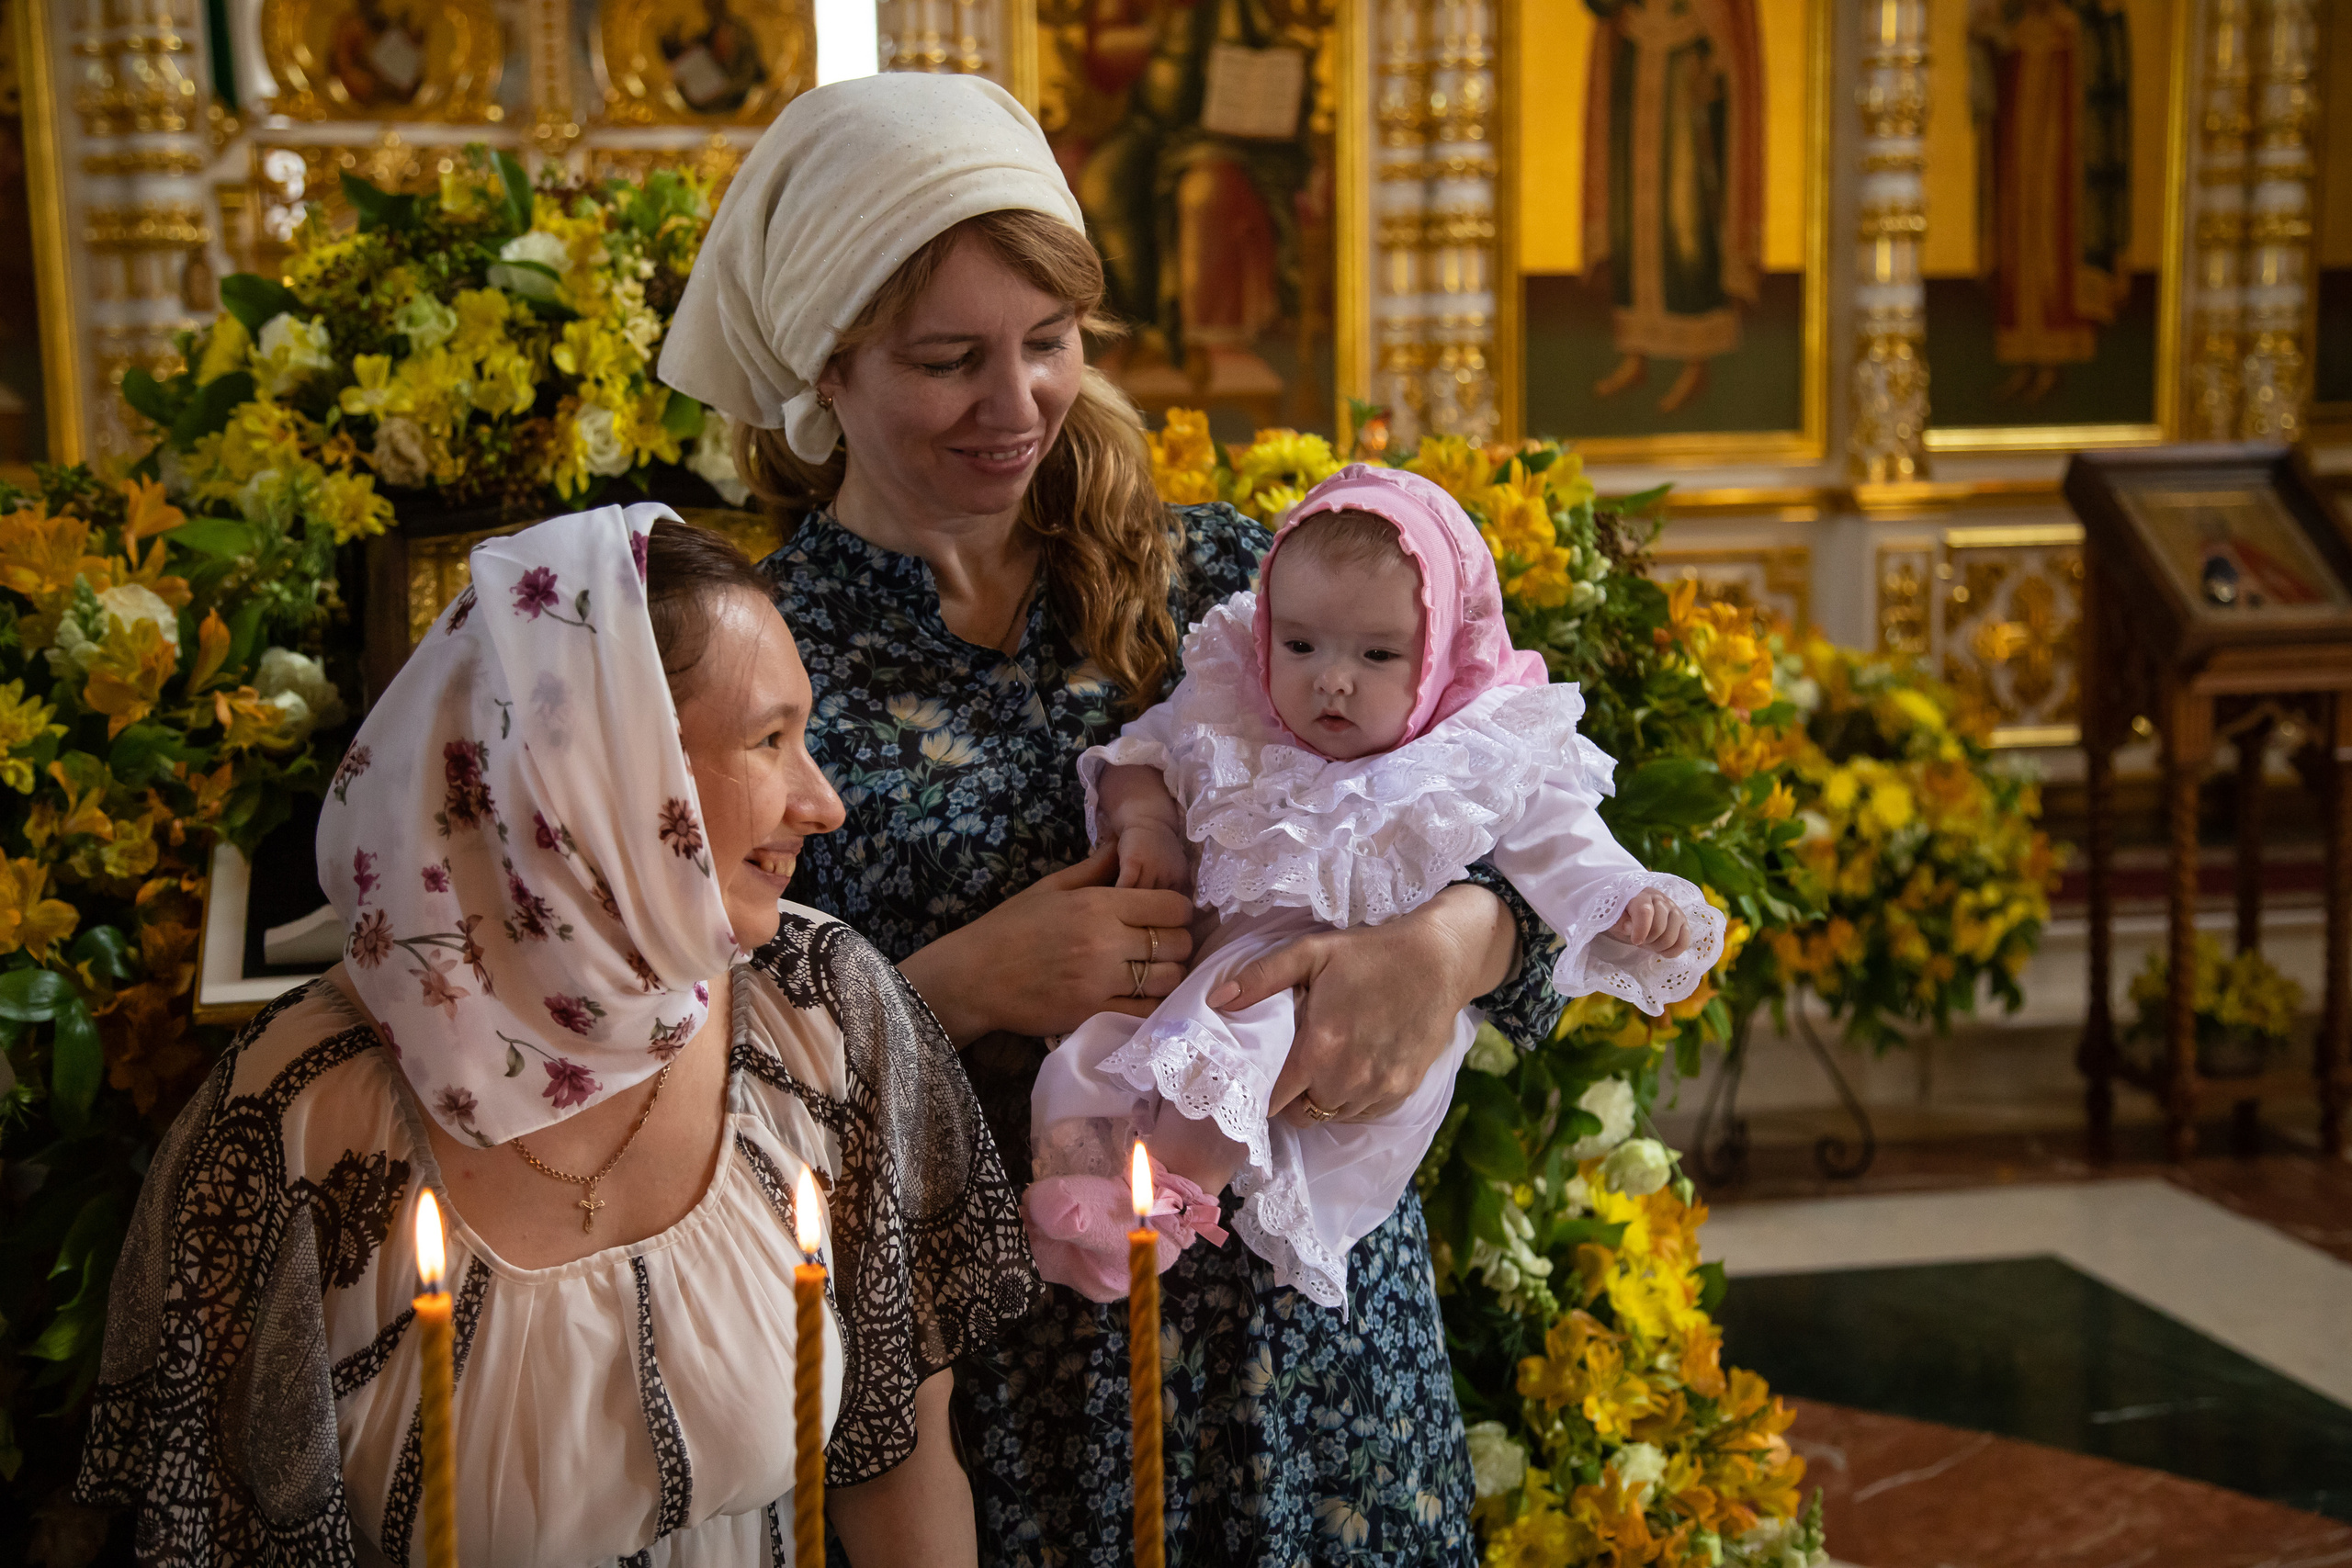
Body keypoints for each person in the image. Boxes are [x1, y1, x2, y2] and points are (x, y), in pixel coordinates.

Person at [660, 72, 1580, 1563]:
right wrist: (959, 984)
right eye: (949, 358)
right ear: (826, 365)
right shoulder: (756, 655)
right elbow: (671, 1061)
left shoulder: (1236, 584)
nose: (1017, 401)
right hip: (992, 1398)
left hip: (1314, 1365)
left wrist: (1449, 945)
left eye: (1049, 341)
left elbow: (1532, 833)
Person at [73, 508, 1033, 1566]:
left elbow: (896, 1464)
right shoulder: (298, 1114)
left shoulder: (820, 1008)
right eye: (769, 741)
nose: (825, 804)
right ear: (596, 772)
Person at [1024, 465, 1723, 1308]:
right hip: (1210, 978)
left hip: (1354, 1005)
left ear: (1441, 656)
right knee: (1110, 1052)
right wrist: (1148, 824)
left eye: (1378, 654)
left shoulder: (1473, 747)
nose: (1332, 679)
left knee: (1247, 1023)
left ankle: (1162, 1208)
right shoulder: (1236, 702)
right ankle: (1089, 1188)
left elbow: (1561, 839)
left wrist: (1624, 895)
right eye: (1301, 645)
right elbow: (1142, 754)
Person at [1581, 0, 1765, 414]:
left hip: (1689, 58)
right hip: (1634, 54)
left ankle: (1696, 359)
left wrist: (1714, 68)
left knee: (1687, 214)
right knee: (1629, 211)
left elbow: (1728, 19)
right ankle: (1636, 353)